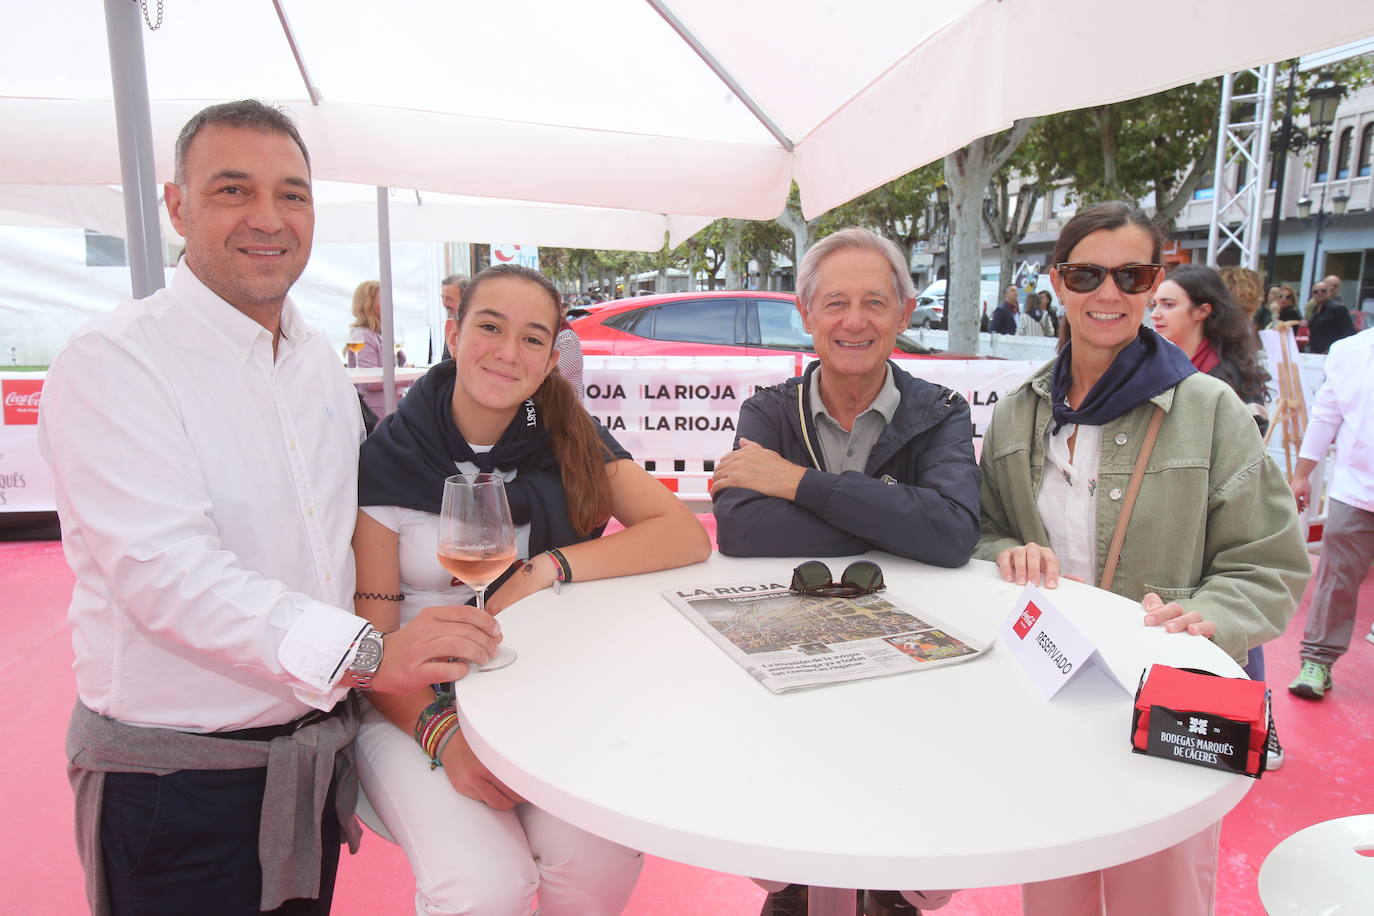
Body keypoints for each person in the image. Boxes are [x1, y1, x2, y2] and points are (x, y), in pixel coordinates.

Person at [38, 100, 503, 916]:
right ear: (177, 206)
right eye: (232, 190)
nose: (269, 218)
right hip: (174, 787)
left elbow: (340, 532)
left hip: (307, 766)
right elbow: (168, 577)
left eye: (293, 194)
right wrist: (369, 656)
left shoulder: (316, 358)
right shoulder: (113, 363)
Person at [976, 202, 1309, 915]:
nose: (1108, 294)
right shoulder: (1016, 413)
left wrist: (1212, 612)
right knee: (1056, 886)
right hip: (1055, 686)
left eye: (1131, 276)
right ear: (1056, 282)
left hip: (1180, 690)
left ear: (1153, 283)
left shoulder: (1210, 409)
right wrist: (1008, 552)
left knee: (1160, 894)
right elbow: (983, 528)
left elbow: (1270, 562)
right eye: (1085, 273)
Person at [351, 263, 711, 915]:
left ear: (551, 358)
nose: (508, 351)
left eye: (532, 337)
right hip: (408, 708)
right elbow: (372, 646)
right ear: (455, 335)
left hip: (536, 692)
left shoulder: (568, 435)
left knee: (594, 860)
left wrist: (549, 568)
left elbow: (682, 533)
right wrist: (445, 738)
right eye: (491, 327)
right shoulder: (388, 456)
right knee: (486, 885)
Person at [712, 225, 977, 916]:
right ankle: (798, 883)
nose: (853, 321)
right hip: (790, 658)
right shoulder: (769, 409)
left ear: (904, 314)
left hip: (918, 666)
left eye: (873, 303)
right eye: (834, 303)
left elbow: (951, 534)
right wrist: (893, 520)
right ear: (805, 314)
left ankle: (894, 892)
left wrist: (798, 483)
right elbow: (741, 531)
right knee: (782, 819)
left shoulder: (940, 412)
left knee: (917, 829)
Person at [1287, 326, 1374, 701]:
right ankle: (1317, 661)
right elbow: (1326, 415)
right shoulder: (1349, 351)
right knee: (1337, 578)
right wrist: (1302, 474)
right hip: (1355, 489)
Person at [345, 280, 407, 417]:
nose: (390, 304)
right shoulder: (363, 336)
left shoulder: (379, 333)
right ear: (368, 304)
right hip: (376, 411)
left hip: (389, 407)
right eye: (383, 298)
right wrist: (406, 378)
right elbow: (369, 381)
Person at [1306, 280, 1357, 355]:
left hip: (1331, 353)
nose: (1319, 293)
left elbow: (1349, 333)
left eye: (1323, 291)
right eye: (1316, 291)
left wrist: (1335, 351)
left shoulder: (1338, 308)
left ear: (1329, 292)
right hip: (1315, 352)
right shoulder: (1315, 309)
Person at [439, 273, 469, 361]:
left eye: (449, 299)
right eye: (442, 298)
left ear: (465, 298)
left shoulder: (473, 328)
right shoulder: (452, 324)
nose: (444, 304)